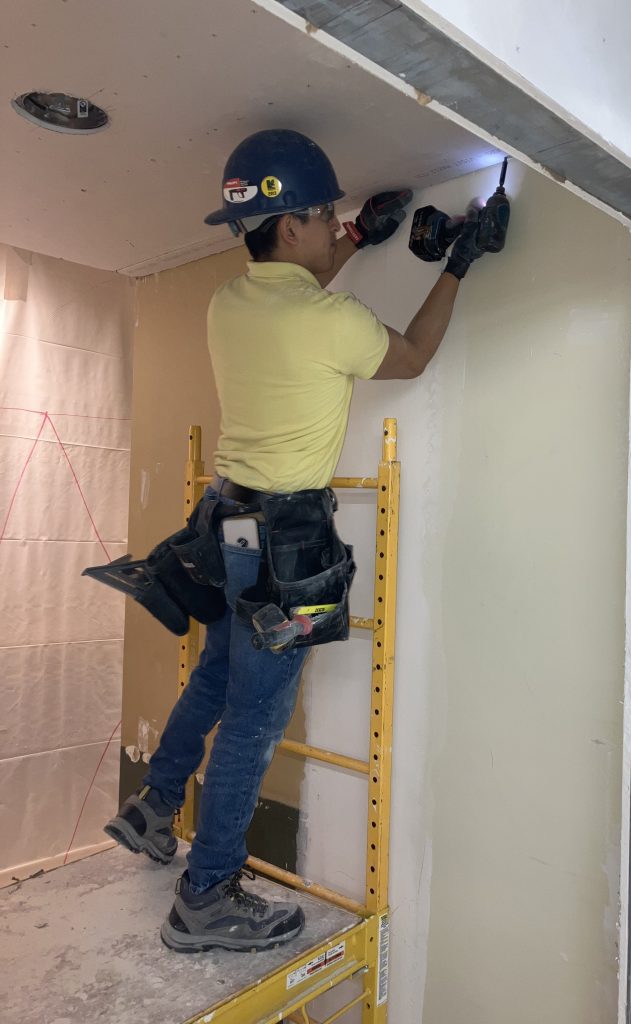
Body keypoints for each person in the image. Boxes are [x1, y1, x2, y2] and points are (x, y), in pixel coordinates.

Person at [105, 129, 494, 953]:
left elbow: (298, 287)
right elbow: (416, 356)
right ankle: (206, 895)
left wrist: (358, 237)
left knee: (215, 674)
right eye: (326, 217)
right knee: (254, 720)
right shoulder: (330, 321)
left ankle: (153, 806)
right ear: (291, 225)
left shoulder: (229, 302)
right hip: (285, 546)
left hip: (224, 528)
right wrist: (458, 263)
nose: (332, 227)